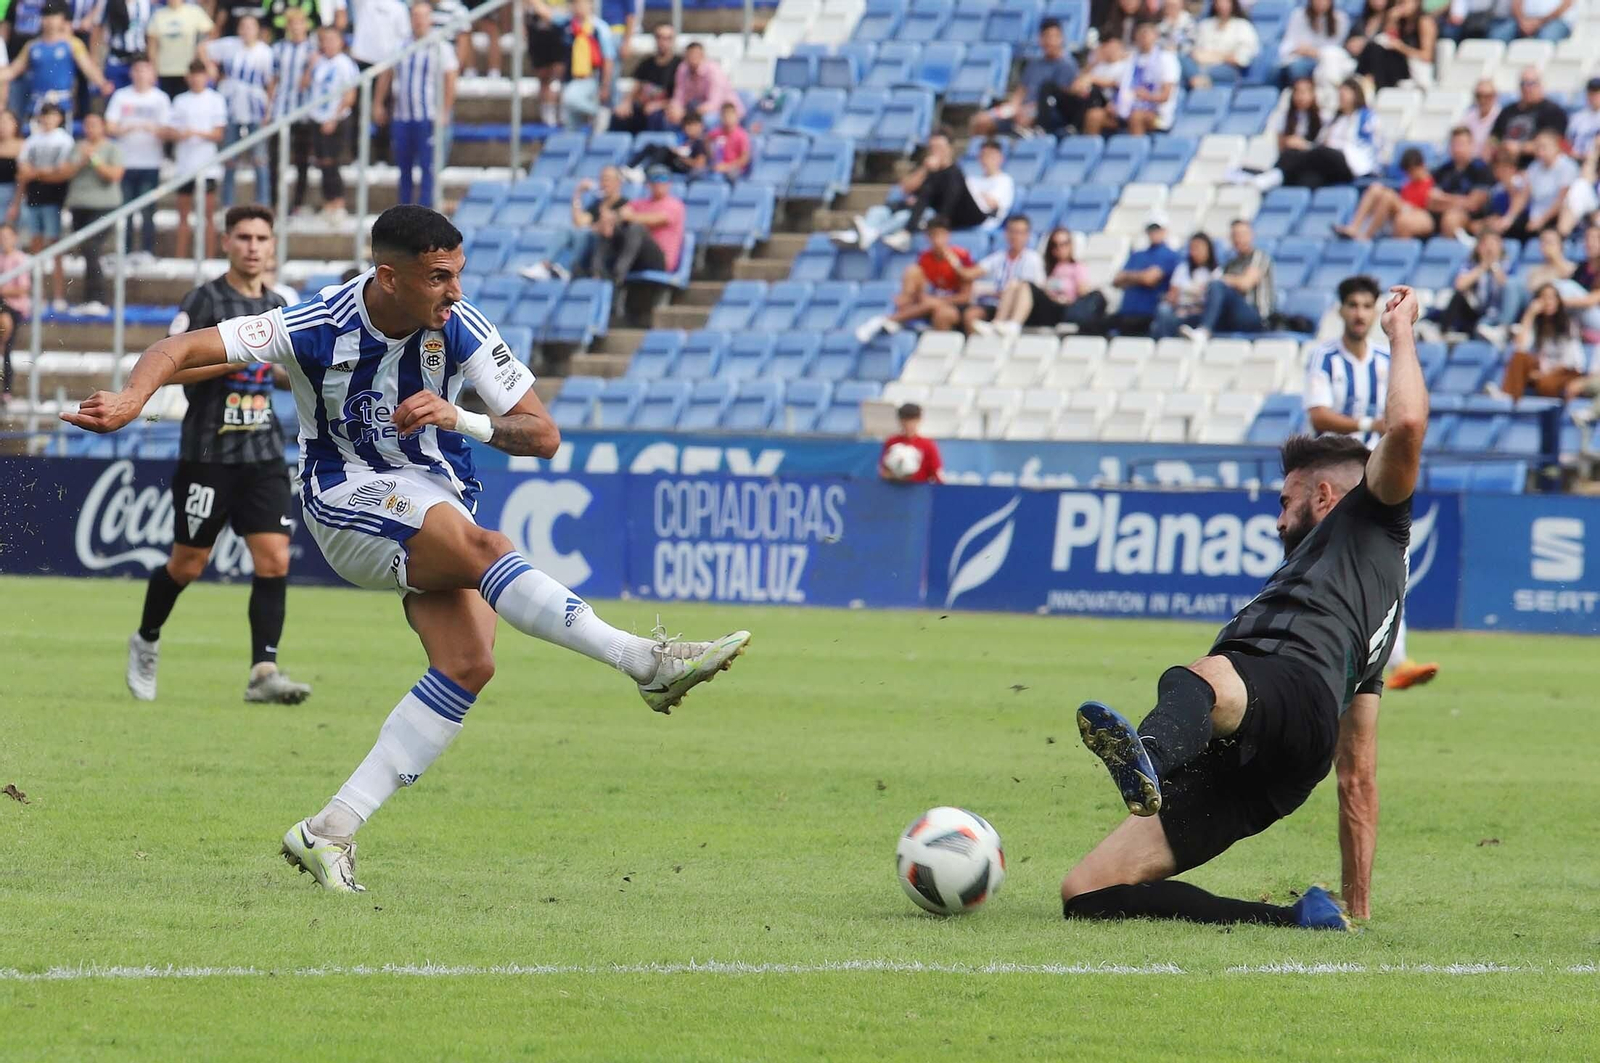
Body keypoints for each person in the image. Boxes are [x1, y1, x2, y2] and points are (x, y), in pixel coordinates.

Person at [64, 204, 753, 892]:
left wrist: (464, 417)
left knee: (468, 663)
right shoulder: (312, 324)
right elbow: (179, 349)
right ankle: (644, 660)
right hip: (344, 498)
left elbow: (543, 435)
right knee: (489, 546)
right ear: (389, 277)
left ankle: (329, 829)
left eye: (457, 274)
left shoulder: (461, 326)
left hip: (434, 493)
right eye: (439, 278)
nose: (454, 291)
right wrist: (131, 398)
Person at [1061, 284, 1427, 929]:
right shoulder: (1369, 608)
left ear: (1322, 494)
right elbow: (1357, 776)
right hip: (1277, 764)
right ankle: (1298, 921)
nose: (1276, 514)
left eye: (1286, 499)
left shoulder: (1372, 518)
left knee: (1203, 677)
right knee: (1088, 892)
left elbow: (1406, 427)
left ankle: (1147, 751)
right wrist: (1360, 905)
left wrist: (1401, 335)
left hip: (1277, 693)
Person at [118, 204, 314, 705]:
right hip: (208, 452)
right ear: (225, 242)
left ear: (272, 246)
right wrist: (226, 358)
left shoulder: (283, 303)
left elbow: (281, 370)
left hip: (264, 452)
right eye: (243, 237)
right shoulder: (203, 301)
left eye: (261, 238)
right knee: (188, 564)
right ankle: (146, 638)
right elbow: (168, 365)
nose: (253, 246)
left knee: (273, 560)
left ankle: (263, 672)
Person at [1302, 275, 1438, 692]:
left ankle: (1394, 659)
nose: (1360, 314)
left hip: (1375, 479)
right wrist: (1370, 424)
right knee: (1321, 567)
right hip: (1332, 480)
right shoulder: (1324, 358)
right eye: (1353, 306)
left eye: (1366, 306)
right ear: (1342, 311)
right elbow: (1318, 416)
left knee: (1386, 564)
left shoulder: (1385, 361)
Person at [841, 130, 993, 251]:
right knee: (878, 211)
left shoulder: (954, 174)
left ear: (949, 149)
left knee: (904, 216)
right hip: (916, 210)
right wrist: (925, 170)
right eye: (932, 148)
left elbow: (945, 204)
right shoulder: (925, 170)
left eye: (939, 147)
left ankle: (874, 233)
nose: (936, 152)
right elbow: (904, 189)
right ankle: (858, 235)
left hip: (932, 216)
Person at [376, 0, 458, 209]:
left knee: (428, 167)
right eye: (415, 16)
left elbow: (450, 79)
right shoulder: (400, 46)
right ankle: (403, 210)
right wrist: (378, 102)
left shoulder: (441, 46)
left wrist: (445, 110)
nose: (419, 21)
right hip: (403, 116)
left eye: (423, 17)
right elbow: (386, 74)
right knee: (403, 167)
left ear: (430, 19)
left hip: (428, 115)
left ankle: (425, 210)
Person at [854, 215, 983, 341]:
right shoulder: (925, 258)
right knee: (912, 271)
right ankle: (902, 321)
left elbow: (965, 297)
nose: (937, 240)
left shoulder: (961, 256)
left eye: (941, 235)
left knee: (943, 314)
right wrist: (917, 297)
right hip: (930, 304)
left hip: (956, 306)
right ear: (928, 237)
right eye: (933, 235)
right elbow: (921, 290)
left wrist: (937, 300)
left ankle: (889, 319)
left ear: (948, 235)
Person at [1243, 78, 1380, 191]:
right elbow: (1321, 142)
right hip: (1327, 163)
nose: (1342, 98)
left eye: (1345, 94)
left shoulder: (1366, 116)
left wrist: (1308, 146)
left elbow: (1368, 145)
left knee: (1316, 152)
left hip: (1350, 162)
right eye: (1340, 95)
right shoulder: (1336, 120)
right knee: (1306, 180)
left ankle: (1274, 175)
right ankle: (1276, 178)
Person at [203, 14, 273, 209]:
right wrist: (211, 69)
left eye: (251, 26)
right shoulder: (229, 45)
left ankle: (263, 201)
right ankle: (227, 202)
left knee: (259, 157)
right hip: (231, 105)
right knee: (229, 157)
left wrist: (268, 109)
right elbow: (203, 49)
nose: (247, 30)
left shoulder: (265, 52)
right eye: (243, 26)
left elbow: (270, 81)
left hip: (254, 106)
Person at [969, 17, 1079, 137]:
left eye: (1054, 37)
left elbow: (1059, 100)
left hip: (1046, 114)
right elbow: (1020, 92)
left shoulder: (1067, 65)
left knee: (1026, 118)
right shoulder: (1034, 64)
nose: (1050, 41)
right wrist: (1012, 108)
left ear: (1061, 38)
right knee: (981, 121)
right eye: (1046, 37)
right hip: (1021, 110)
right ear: (1040, 39)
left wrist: (1028, 111)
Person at [0, 1, 110, 121]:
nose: (50, 21)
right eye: (46, 16)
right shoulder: (32, 46)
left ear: (62, 18)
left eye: (54, 16)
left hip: (61, 104)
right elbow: (13, 70)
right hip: (37, 103)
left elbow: (88, 67)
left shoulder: (72, 44)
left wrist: (102, 83)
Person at [105, 56, 169, 260]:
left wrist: (153, 129)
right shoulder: (121, 96)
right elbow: (110, 126)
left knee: (148, 210)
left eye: (145, 70)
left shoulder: (160, 98)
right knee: (126, 210)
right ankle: (126, 250)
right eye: (137, 70)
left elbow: (168, 130)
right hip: (125, 161)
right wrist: (127, 128)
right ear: (131, 73)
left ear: (152, 74)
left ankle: (147, 250)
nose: (141, 74)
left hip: (150, 161)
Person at [15, 100, 73, 312]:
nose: (48, 119)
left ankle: (58, 294)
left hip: (54, 199)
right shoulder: (32, 141)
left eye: (52, 115)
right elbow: (23, 170)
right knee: (36, 247)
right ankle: (39, 295)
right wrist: (44, 172)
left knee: (55, 248)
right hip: (33, 199)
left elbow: (62, 172)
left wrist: (37, 173)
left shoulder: (65, 140)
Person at [62, 111, 122, 315]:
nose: (90, 129)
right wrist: (80, 161)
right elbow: (64, 173)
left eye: (94, 125)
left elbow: (114, 175)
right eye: (87, 125)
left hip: (103, 206)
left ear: (102, 126)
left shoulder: (112, 148)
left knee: (92, 248)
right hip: (79, 206)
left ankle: (98, 298)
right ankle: (89, 299)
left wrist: (94, 160)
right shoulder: (77, 147)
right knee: (87, 252)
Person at [165, 59, 226, 260]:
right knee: (183, 213)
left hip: (207, 165)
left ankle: (208, 257)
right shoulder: (180, 100)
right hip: (184, 165)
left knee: (208, 214)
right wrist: (182, 134)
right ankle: (180, 257)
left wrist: (195, 132)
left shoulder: (215, 99)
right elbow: (171, 130)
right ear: (188, 77)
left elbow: (218, 133)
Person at [523, 164, 625, 280]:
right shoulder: (598, 204)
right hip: (589, 247)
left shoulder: (624, 204)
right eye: (601, 179)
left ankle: (568, 269)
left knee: (585, 234)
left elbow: (608, 230)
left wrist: (597, 224)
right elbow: (579, 222)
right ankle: (544, 265)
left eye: (607, 179)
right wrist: (578, 193)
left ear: (618, 182)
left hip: (606, 252)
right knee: (567, 230)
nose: (603, 183)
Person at [1181, 219, 1273, 343]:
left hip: (1255, 316)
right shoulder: (1230, 263)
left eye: (1242, 234)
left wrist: (1224, 280)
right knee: (1181, 318)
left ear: (1251, 235)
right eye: (1235, 235)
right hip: (1231, 315)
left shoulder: (1259, 257)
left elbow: (1246, 284)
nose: (1238, 239)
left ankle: (1204, 331)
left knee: (1217, 285)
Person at [989, 227, 1092, 335]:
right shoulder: (1046, 268)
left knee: (1026, 285)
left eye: (1064, 244)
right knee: (1014, 283)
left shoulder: (1077, 267)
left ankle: (1014, 324)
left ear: (1071, 245)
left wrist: (1063, 298)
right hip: (1043, 307)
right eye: (1055, 245)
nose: (1060, 248)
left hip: (1061, 309)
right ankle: (997, 322)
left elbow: (1083, 294)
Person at [303, 25, 360, 218]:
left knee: (331, 161)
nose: (328, 43)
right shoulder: (319, 62)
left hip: (335, 118)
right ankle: (328, 202)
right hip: (317, 117)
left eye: (332, 39)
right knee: (321, 161)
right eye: (324, 40)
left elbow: (350, 95)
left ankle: (337, 202)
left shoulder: (345, 64)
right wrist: (311, 65)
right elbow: (304, 85)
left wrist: (334, 118)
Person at [1087, 20, 1179, 135]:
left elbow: (1165, 96)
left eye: (1146, 34)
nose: (1143, 37)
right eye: (1140, 34)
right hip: (1128, 109)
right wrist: (1115, 103)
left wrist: (1147, 96)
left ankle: (1136, 151)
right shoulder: (1130, 59)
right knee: (1094, 116)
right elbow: (1119, 84)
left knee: (1136, 116)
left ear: (1156, 36)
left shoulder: (1166, 59)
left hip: (1156, 115)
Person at [1498, 282, 1589, 398]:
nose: (1548, 302)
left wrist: (1544, 373)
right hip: (1542, 372)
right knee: (1519, 358)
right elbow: (1520, 346)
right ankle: (1507, 397)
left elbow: (1571, 361)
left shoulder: (1568, 324)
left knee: (1546, 384)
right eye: (1544, 298)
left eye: (1551, 298)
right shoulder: (1536, 324)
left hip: (1564, 372)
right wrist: (1529, 314)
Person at [537, 0, 617, 132]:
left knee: (569, 98)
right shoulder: (568, 24)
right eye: (574, 4)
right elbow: (545, 13)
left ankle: (599, 111)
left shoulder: (599, 27)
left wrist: (605, 85)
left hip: (591, 78)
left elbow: (608, 59)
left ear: (590, 5)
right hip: (570, 78)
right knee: (570, 124)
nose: (578, 7)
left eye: (581, 3)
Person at [266, 7, 315, 216]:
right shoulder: (278, 49)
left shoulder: (313, 50)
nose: (295, 27)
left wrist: (310, 70)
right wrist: (268, 109)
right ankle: (276, 201)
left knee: (301, 160)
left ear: (305, 25)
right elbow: (273, 80)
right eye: (292, 23)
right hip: (281, 110)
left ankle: (298, 202)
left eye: (299, 23)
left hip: (303, 111)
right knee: (275, 161)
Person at [964, 214, 1046, 336]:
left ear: (1027, 235)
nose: (1015, 237)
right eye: (1012, 232)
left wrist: (997, 292)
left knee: (1016, 285)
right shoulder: (998, 257)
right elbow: (970, 273)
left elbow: (1035, 289)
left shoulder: (1033, 259)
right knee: (971, 315)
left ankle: (1008, 324)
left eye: (1020, 233)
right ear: (1006, 233)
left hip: (1024, 307)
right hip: (998, 303)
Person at [1100, 217, 1181, 337]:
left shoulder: (1170, 255)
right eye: (1151, 229)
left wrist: (1129, 277)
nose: (1154, 233)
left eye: (1157, 229)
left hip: (1148, 315)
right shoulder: (1137, 255)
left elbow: (1149, 279)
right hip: (1126, 314)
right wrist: (1141, 276)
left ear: (1165, 230)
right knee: (1091, 326)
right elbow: (1116, 280)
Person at [1335, 147, 1436, 240]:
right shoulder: (1408, 184)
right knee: (1375, 188)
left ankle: (1367, 235)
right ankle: (1354, 227)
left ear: (1421, 166)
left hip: (1418, 214)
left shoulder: (1431, 182)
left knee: (1388, 196)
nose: (1410, 175)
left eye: (1412, 171)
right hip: (1402, 210)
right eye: (1408, 172)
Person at [1436, 231, 1512, 340]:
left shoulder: (1506, 264)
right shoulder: (1471, 264)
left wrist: (1493, 265)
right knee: (1457, 296)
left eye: (1493, 244)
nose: (1489, 249)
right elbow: (1459, 285)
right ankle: (1443, 331)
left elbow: (1506, 285)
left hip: (1496, 310)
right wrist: (1482, 267)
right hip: (1475, 311)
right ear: (1478, 248)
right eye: (1485, 244)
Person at [1351, 0, 1435, 92]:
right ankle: (1359, 83)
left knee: (1376, 51)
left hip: (1413, 67)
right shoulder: (1402, 21)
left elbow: (1427, 56)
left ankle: (1372, 87)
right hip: (1396, 63)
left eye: (1403, 3)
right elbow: (1388, 37)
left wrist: (1401, 47)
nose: (1400, 6)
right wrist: (1391, 19)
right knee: (1373, 48)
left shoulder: (1424, 21)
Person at [611, 21, 678, 135]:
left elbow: (680, 97)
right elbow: (636, 87)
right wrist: (626, 103)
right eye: (660, 37)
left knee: (655, 117)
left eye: (668, 38)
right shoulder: (646, 63)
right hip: (643, 107)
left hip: (664, 109)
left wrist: (659, 105)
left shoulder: (679, 65)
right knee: (619, 115)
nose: (663, 42)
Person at [1490, 69, 1567, 166]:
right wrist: (1500, 146)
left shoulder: (1553, 112)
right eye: (1523, 83)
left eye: (1531, 83)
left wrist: (1520, 148)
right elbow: (1494, 137)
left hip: (1536, 166)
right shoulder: (1507, 111)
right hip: (1504, 165)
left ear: (1540, 85)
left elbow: (1554, 145)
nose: (1526, 88)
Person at [1151, 232, 1219, 339]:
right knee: (1163, 310)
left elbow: (1213, 303)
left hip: (1199, 314)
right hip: (1180, 310)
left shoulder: (1216, 272)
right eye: (1192, 248)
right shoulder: (1182, 269)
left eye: (1199, 248)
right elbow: (1173, 294)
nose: (1195, 252)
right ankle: (1165, 343)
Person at [147, 0, 214, 98]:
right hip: (165, 70)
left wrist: (205, 61)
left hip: (189, 70)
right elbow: (152, 46)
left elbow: (208, 34)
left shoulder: (195, 12)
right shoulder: (158, 15)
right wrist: (153, 68)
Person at [668, 38, 739, 129]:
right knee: (670, 118)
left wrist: (689, 113)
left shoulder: (714, 71)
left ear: (703, 56)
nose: (693, 58)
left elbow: (715, 103)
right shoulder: (682, 69)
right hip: (695, 109)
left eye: (696, 55)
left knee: (708, 120)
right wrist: (675, 109)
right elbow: (679, 95)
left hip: (724, 110)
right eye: (690, 55)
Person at [621, 108, 708, 180]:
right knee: (651, 146)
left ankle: (646, 173)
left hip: (684, 169)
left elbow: (699, 165)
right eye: (687, 125)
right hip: (676, 163)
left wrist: (681, 157)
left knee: (664, 150)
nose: (689, 128)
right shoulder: (686, 141)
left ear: (700, 126)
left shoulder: (700, 143)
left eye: (692, 125)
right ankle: (628, 167)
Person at [1188, 0, 1259, 86]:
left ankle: (1200, 83)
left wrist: (1212, 56)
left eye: (1226, 2)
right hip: (1199, 67)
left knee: (1200, 75)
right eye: (1219, 2)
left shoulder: (1243, 26)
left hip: (1228, 69)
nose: (1222, 5)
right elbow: (1195, 54)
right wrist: (1222, 56)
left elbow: (1239, 59)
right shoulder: (1205, 25)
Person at [1278, 0, 1348, 86]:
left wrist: (1317, 52)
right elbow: (1288, 43)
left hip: (1328, 60)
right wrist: (1299, 49)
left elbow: (1338, 47)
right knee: (1281, 69)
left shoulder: (1339, 18)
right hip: (1301, 57)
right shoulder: (1298, 15)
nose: (1320, 2)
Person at [1522, 129, 1578, 235]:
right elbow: (1524, 195)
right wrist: (1509, 219)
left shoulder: (1567, 166)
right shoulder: (1534, 166)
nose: (1540, 151)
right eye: (1537, 147)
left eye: (1544, 147)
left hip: (1555, 216)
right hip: (1534, 215)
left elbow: (1562, 199)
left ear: (1556, 147)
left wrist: (1541, 220)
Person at [1471, 146, 1530, 240]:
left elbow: (1520, 199)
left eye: (1505, 169)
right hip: (1500, 222)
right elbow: (1495, 212)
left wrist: (1507, 219)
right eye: (1498, 169)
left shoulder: (1520, 182)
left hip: (1519, 224)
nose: (1501, 172)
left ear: (1513, 168)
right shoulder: (1497, 189)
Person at [879, 403, 943, 484]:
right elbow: (883, 470)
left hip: (918, 491)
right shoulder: (891, 442)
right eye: (905, 420)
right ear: (900, 421)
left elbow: (935, 473)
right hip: (894, 491)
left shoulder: (928, 445)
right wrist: (896, 475)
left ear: (919, 420)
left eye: (912, 420)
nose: (908, 425)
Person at [0, 222, 28, 402]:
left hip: (14, 306)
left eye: (7, 237)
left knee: (7, 346)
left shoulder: (20, 259)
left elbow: (22, 289)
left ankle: (6, 390)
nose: (4, 241)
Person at [963, 138, 1015, 232]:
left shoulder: (1005, 180)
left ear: (1000, 158)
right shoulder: (971, 180)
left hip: (987, 223)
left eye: (990, 155)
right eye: (983, 155)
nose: (986, 159)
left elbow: (991, 204)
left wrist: (975, 195)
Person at [1487, 0, 1574, 41]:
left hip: (1555, 21)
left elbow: (1567, 4)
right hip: (1523, 21)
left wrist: (1539, 22)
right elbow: (1516, 3)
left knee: (1546, 37)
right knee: (1498, 35)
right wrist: (1522, 21)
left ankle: (1533, 73)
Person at [1278, 76, 1321, 153]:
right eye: (1297, 92)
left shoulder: (1321, 117)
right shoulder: (1285, 116)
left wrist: (1305, 145)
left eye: (1304, 92)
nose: (1300, 97)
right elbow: (1280, 144)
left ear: (1313, 94)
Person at [707, 101, 749, 179]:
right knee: (699, 173)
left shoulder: (742, 135)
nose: (727, 118)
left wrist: (727, 167)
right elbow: (707, 139)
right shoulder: (716, 133)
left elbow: (744, 159)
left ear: (736, 116)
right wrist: (712, 155)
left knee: (730, 175)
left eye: (730, 115)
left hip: (735, 168)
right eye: (724, 116)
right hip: (718, 166)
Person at [1461, 78, 1500, 160]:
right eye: (1479, 96)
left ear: (1495, 97)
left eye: (1487, 96)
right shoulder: (1468, 117)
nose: (1482, 100)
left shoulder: (1501, 117)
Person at [0, 110, 22, 225]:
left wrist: (16, 203)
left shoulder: (23, 146)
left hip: (12, 194)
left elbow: (22, 178)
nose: (2, 125)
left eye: (6, 121)